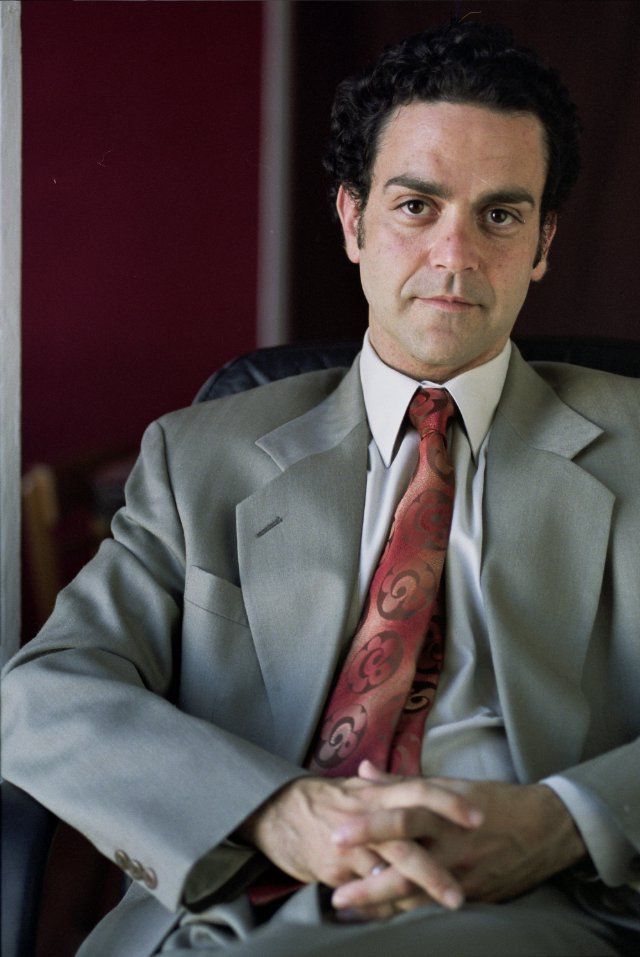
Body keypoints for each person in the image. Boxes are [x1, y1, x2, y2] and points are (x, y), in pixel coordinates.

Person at [3, 19, 640, 957]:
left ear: (543, 241)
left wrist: (564, 821)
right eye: (416, 206)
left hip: (524, 908)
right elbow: (44, 693)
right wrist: (273, 810)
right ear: (352, 220)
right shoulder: (199, 455)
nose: (455, 256)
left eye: (500, 216)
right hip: (230, 905)